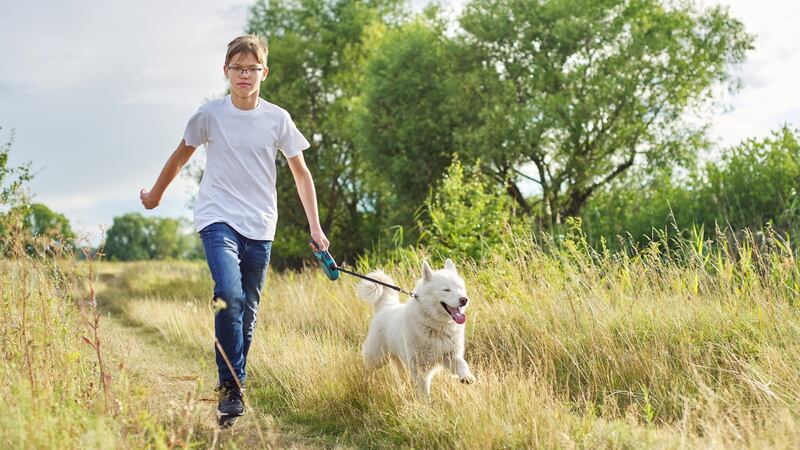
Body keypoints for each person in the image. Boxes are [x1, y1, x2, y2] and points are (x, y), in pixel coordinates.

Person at [140, 34, 329, 424]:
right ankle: (232, 388)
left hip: (260, 225)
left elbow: (301, 173)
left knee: (248, 308)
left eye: (252, 68)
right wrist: (156, 195)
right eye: (237, 68)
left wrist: (315, 226)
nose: (245, 74)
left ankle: (233, 382)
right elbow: (180, 156)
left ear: (265, 72)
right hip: (217, 217)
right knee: (228, 293)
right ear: (225, 71)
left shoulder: (278, 119)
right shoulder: (210, 115)